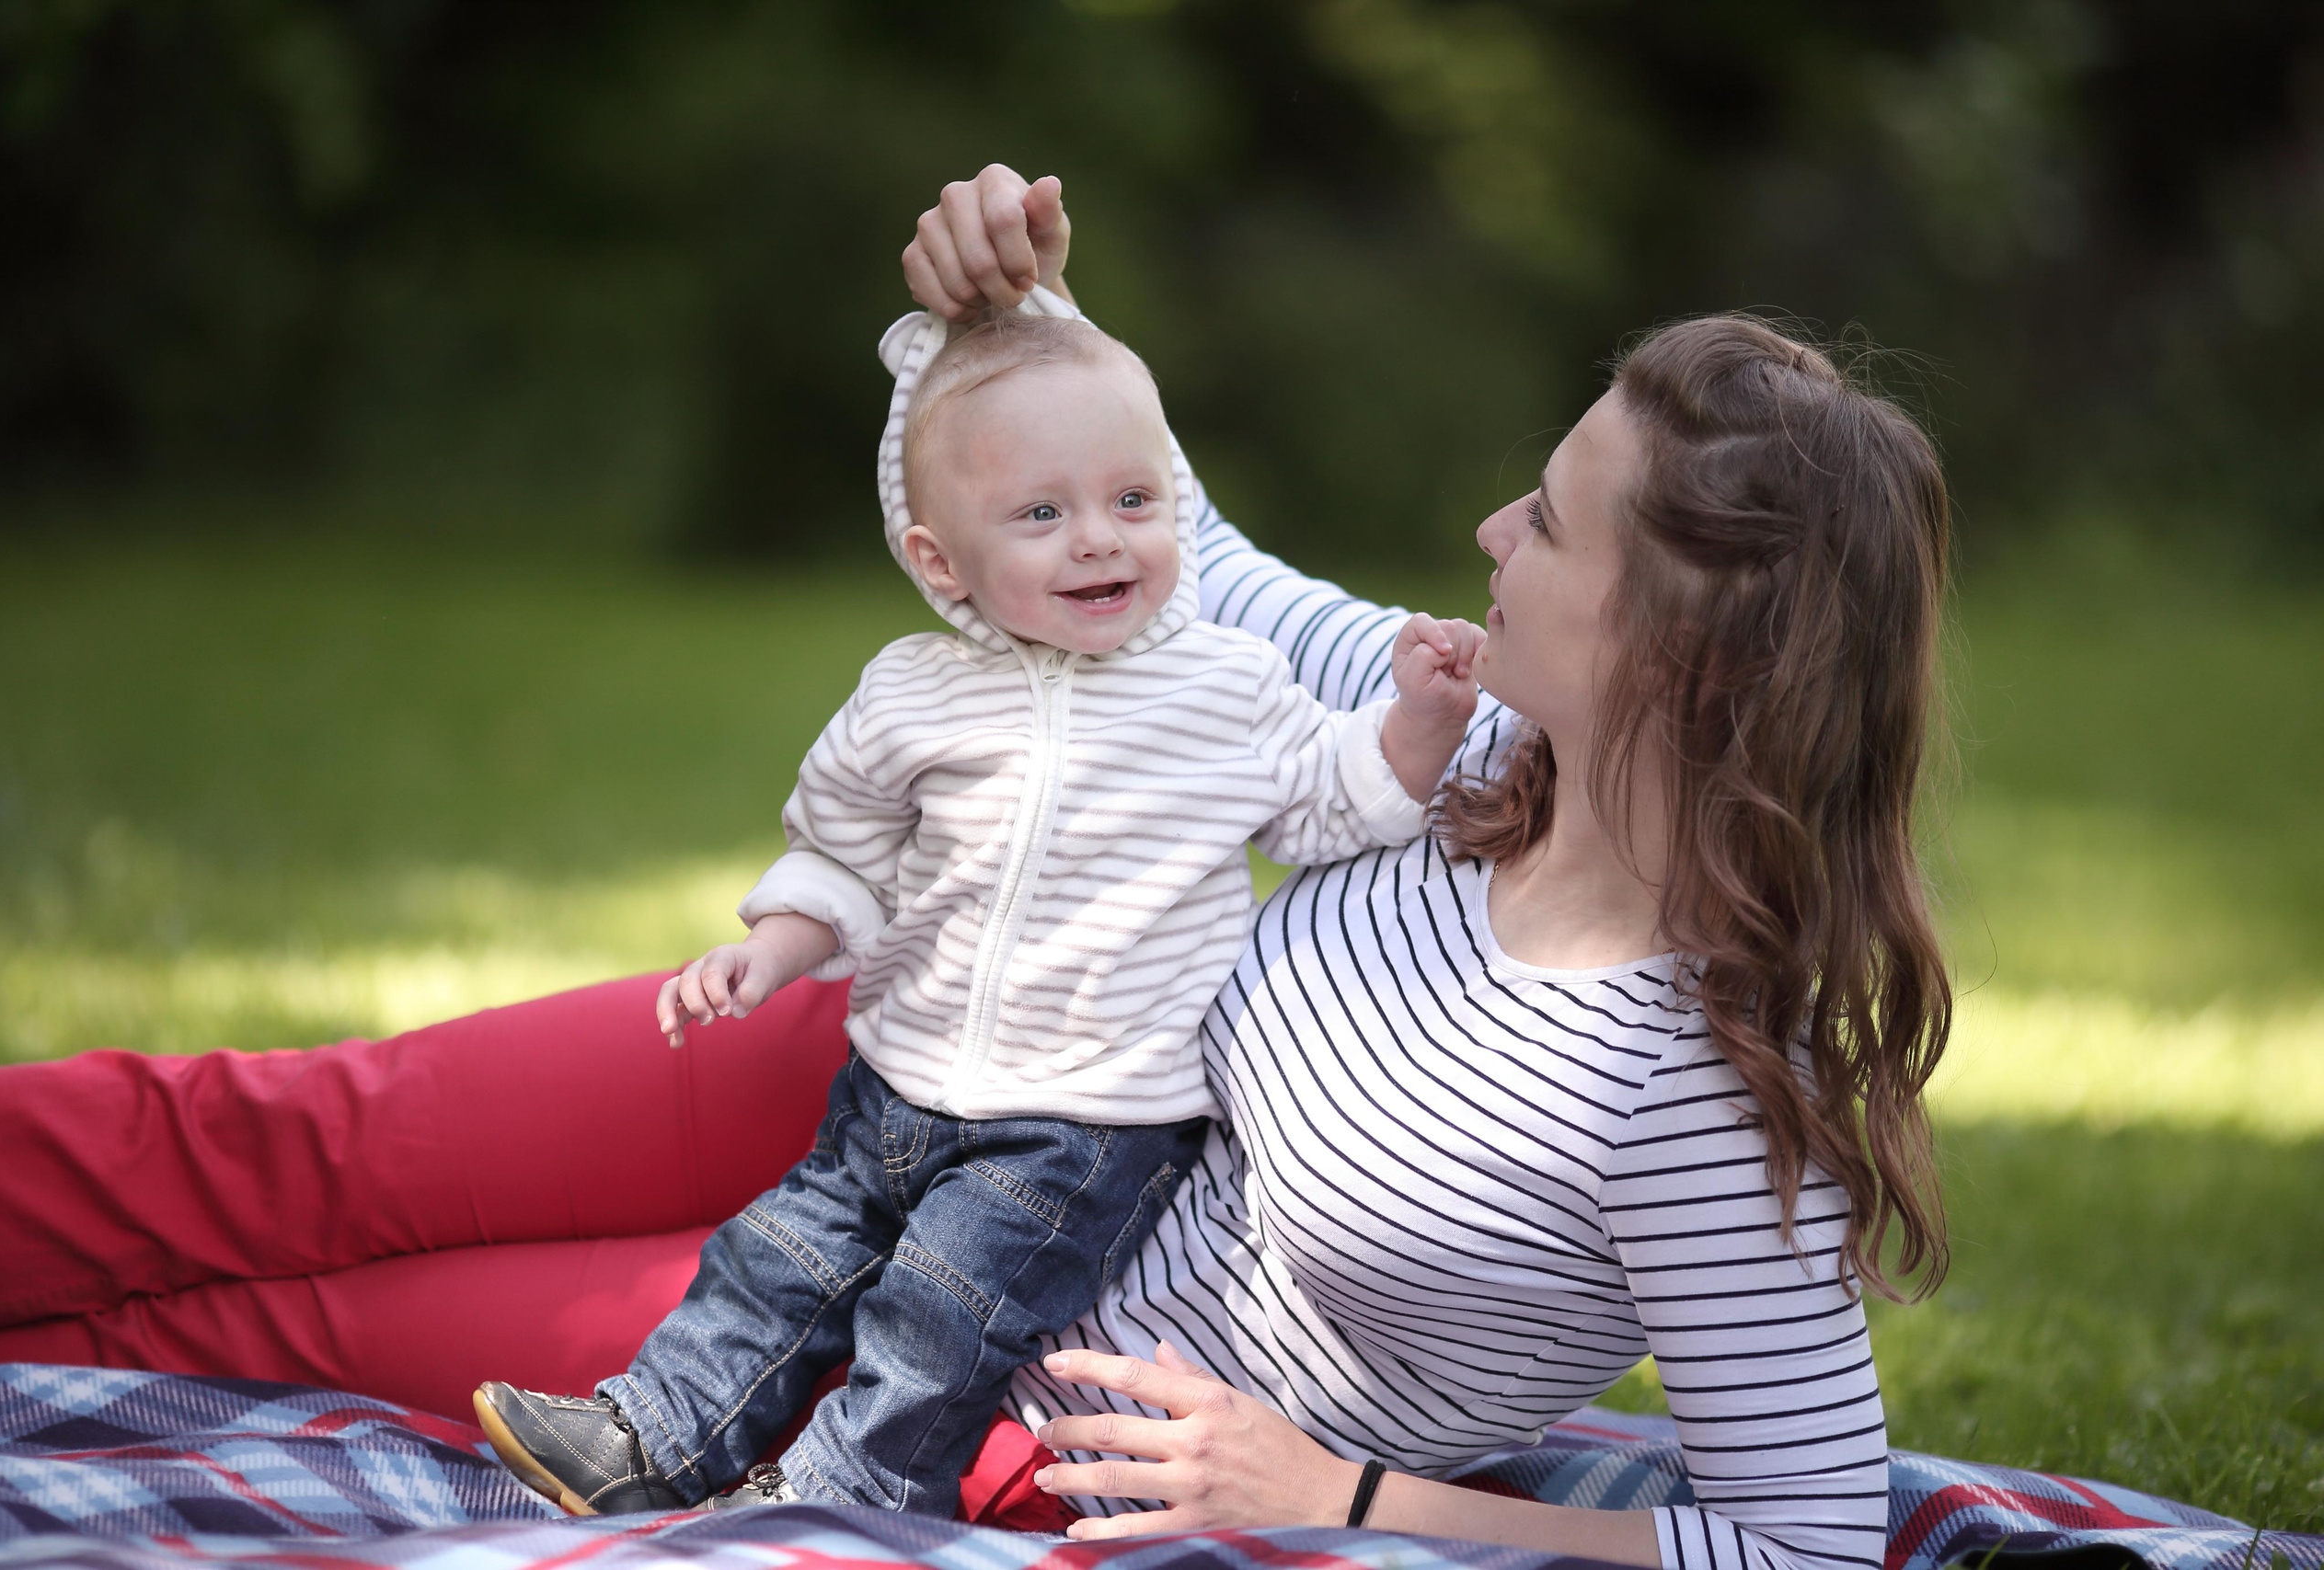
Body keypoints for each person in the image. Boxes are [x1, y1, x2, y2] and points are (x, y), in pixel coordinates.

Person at [896, 166, 1954, 1570]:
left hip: (984, 1420)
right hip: (940, 1158)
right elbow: (1193, 570)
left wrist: (1337, 1498)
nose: (1493, 532)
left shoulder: (1697, 1096)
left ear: (1676, 657)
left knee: (543, 1358)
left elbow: (1808, 1547)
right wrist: (1030, 316)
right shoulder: (1465, 735)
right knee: (495, 1156)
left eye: (1552, 523)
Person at [471, 284, 1488, 1517]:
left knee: (943, 1313)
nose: (1102, 540)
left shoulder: (1228, 687)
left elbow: (1335, 801)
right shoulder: (912, 694)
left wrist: (1418, 728)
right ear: (939, 560)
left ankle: (842, 1500)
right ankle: (650, 1438)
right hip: (898, 1080)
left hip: (1085, 1120)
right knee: (774, 1258)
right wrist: (774, 948)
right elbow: (844, 848)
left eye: (1133, 500)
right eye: (1044, 515)